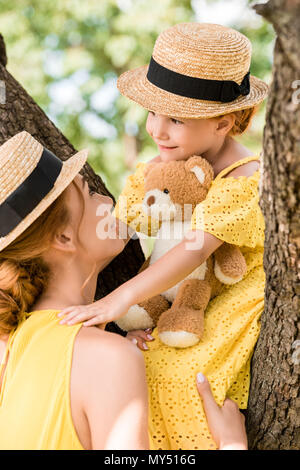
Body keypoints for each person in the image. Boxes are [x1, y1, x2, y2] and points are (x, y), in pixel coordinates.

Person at [57, 23, 268, 450]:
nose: (157, 130)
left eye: (175, 118)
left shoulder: (246, 179)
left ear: (224, 124)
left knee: (180, 383)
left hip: (225, 303)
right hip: (180, 303)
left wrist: (118, 299)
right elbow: (131, 220)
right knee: (134, 367)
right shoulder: (170, 162)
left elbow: (195, 248)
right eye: (153, 112)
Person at [0, 131, 247, 450]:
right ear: (63, 238)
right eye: (89, 195)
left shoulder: (12, 349)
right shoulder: (107, 357)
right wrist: (231, 445)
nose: (107, 199)